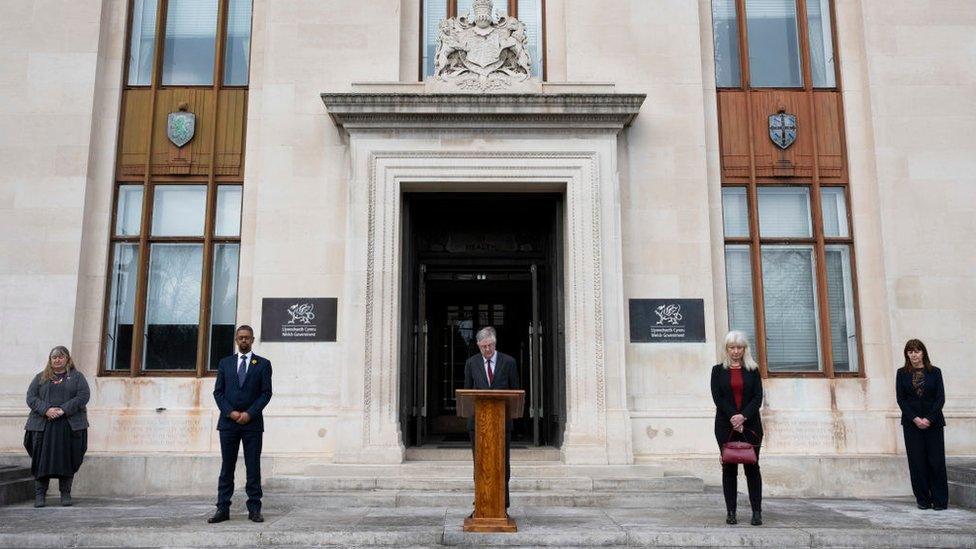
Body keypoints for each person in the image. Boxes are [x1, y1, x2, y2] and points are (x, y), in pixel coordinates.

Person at [208, 325, 273, 524]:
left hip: (252, 424)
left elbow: (266, 393)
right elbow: (218, 392)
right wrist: (231, 413)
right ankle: (222, 508)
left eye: (247, 338)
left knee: (253, 467)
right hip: (228, 424)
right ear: (236, 340)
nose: (243, 341)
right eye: (240, 338)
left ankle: (254, 509)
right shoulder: (225, 363)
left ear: (253, 340)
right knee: (227, 467)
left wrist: (249, 414)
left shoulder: (262, 364)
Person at [24, 346, 90, 507]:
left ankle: (65, 494)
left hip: (68, 426)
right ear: (50, 360)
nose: (57, 360)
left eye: (61, 357)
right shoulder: (40, 378)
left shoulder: (77, 377)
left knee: (67, 459)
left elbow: (83, 396)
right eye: (54, 357)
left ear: (67, 359)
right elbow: (31, 397)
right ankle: (40, 495)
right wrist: (46, 409)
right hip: (43, 426)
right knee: (41, 460)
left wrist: (63, 410)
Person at [710, 331, 764, 526]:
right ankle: (731, 512)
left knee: (752, 467)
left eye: (739, 347)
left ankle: (756, 512)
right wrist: (734, 416)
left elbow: (757, 397)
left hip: (751, 425)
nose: (735, 351)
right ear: (726, 349)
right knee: (729, 468)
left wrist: (743, 416)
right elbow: (718, 398)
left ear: (744, 349)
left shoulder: (753, 370)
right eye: (732, 347)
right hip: (725, 425)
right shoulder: (717, 371)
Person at [463, 326, 519, 510]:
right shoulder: (471, 364)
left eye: (490, 345)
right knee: (479, 464)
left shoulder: (509, 362)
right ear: (478, 345)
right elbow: (468, 394)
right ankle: (480, 503)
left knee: (502, 464)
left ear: (495, 343)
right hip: (478, 425)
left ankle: (502, 505)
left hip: (501, 424)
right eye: (483, 346)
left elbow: (515, 393)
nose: (487, 350)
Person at [895, 338, 948, 510]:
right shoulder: (901, 373)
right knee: (917, 462)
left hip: (934, 423)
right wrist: (915, 419)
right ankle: (923, 500)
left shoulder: (935, 372)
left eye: (917, 351)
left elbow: (940, 398)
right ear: (907, 354)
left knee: (936, 461)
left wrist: (929, 419)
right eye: (910, 352)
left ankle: (940, 501)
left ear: (923, 352)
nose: (914, 355)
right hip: (912, 424)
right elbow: (901, 399)